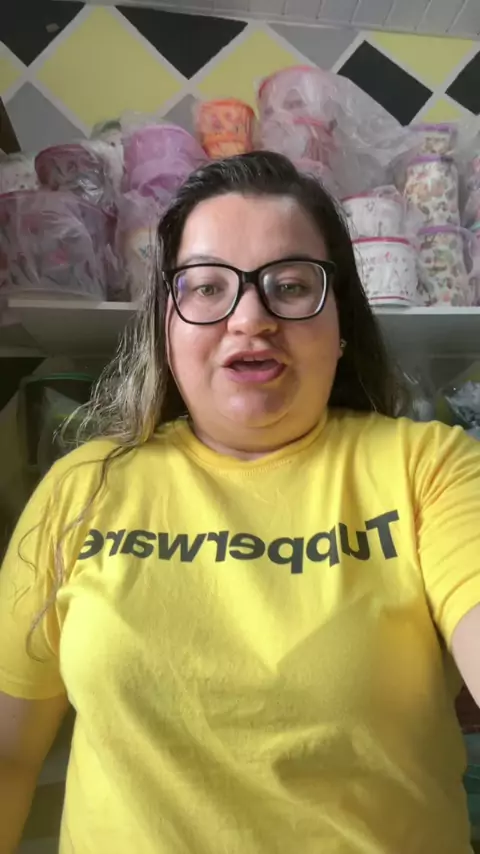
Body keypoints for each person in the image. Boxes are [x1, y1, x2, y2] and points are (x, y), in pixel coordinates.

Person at [0, 151, 480, 854]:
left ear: (340, 322)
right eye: (206, 286)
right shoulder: (83, 487)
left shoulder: (429, 469)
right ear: (167, 324)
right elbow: (9, 755)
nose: (250, 317)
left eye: (291, 285)